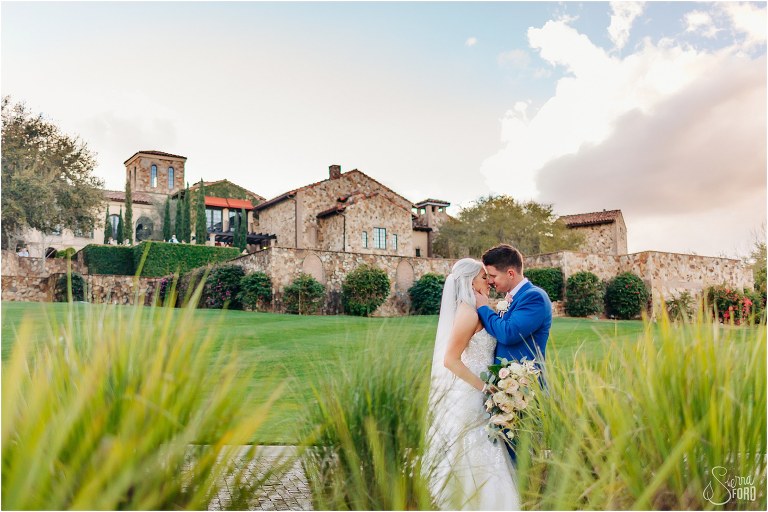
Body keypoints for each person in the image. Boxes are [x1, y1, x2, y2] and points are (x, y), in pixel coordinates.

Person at [426, 258, 520, 511]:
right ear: (470, 282)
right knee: (474, 451)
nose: (488, 281)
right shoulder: (466, 313)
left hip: (483, 393)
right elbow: (450, 360)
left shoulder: (476, 308)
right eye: (482, 277)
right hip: (472, 394)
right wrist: (484, 388)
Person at [473, 244, 552, 462]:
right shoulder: (512, 298)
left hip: (525, 389)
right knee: (508, 451)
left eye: (493, 276)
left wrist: (483, 308)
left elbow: (508, 333)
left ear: (510, 273)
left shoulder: (534, 297)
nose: (490, 281)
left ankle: (530, 494)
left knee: (524, 453)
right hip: (506, 388)